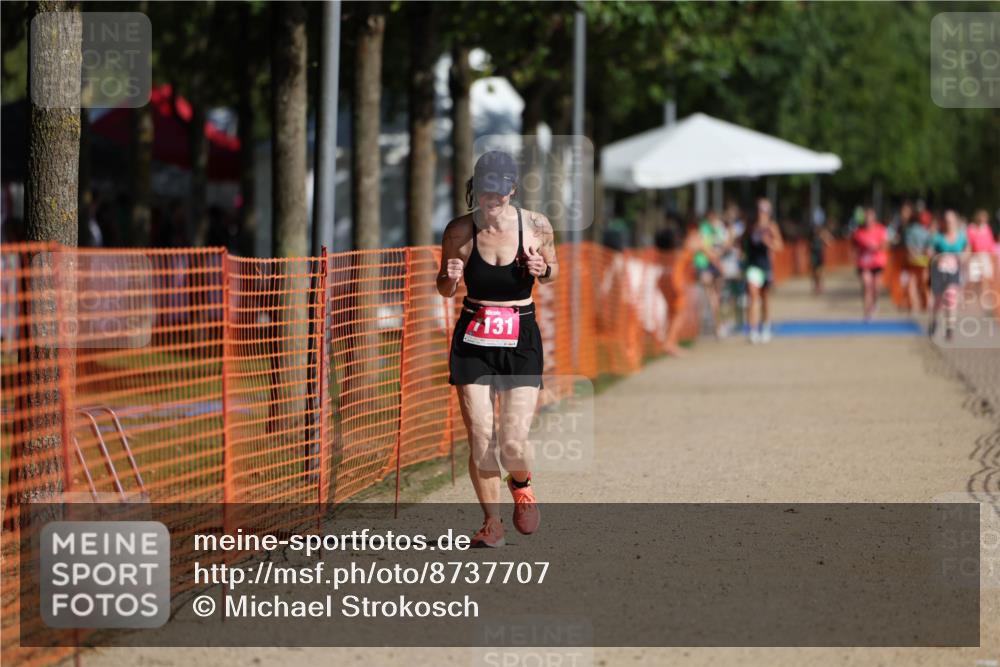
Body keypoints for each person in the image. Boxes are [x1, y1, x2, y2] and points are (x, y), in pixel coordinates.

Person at [437, 151, 558, 548]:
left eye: (502, 194)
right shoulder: (458, 231)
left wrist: (543, 269)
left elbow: (553, 272)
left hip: (520, 335)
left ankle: (521, 486)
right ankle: (492, 523)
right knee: (480, 436)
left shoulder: (537, 226)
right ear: (476, 190)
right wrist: (448, 277)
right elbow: (444, 286)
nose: (495, 201)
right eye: (488, 193)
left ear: (513, 191)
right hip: (474, 336)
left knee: (511, 441)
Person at [743, 198, 784, 344]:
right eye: (760, 210)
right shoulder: (750, 226)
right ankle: (753, 330)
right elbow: (743, 243)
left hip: (765, 266)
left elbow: (780, 246)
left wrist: (769, 243)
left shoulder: (772, 227)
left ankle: (765, 327)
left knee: (765, 298)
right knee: (753, 296)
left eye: (765, 210)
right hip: (752, 267)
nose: (762, 213)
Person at [928, 209, 967, 341]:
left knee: (951, 297)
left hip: (954, 272)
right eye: (946, 220)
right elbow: (930, 251)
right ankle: (934, 322)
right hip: (939, 272)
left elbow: (967, 249)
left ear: (955, 221)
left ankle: (950, 328)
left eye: (951, 220)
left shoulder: (961, 237)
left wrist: (963, 257)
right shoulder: (938, 237)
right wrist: (937, 257)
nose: (949, 223)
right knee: (938, 301)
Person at [851, 206, 889, 321]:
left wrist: (876, 246)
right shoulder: (858, 232)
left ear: (874, 218)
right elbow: (853, 246)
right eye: (866, 216)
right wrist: (855, 257)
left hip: (877, 262)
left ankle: (875, 303)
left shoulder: (881, 229)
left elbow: (886, 245)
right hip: (864, 263)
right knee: (867, 285)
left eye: (870, 216)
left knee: (876, 288)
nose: (868, 219)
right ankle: (867, 312)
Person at [901, 201, 932, 312]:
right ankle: (927, 303)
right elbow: (928, 247)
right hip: (923, 259)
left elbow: (908, 245)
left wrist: (914, 255)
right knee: (924, 283)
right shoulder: (925, 231)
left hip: (912, 259)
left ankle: (915, 305)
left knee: (913, 283)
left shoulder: (909, 231)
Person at [966, 209, 996, 298]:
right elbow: (969, 244)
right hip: (975, 256)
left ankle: (983, 297)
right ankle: (968, 296)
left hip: (985, 256)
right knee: (973, 279)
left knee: (985, 279)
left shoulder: (987, 229)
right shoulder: (971, 229)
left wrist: (992, 257)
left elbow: (990, 244)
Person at [808, 203, 833, 295]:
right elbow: (808, 242)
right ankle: (815, 285)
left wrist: (824, 238)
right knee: (814, 270)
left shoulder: (823, 232)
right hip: (813, 253)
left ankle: (820, 285)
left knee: (820, 270)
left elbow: (830, 242)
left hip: (820, 253)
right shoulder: (811, 231)